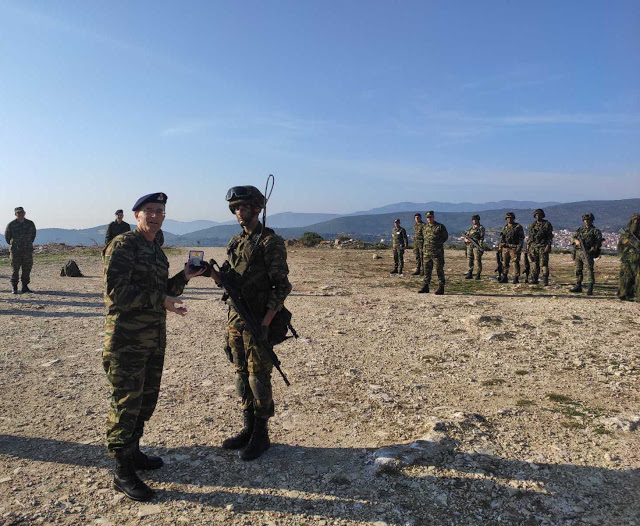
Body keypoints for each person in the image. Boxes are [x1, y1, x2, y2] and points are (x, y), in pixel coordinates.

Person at [102, 192, 204, 501]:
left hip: (153, 339)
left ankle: (133, 454)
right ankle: (121, 471)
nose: (155, 215)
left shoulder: (156, 251)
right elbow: (117, 293)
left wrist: (184, 277)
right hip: (127, 340)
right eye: (149, 211)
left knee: (145, 401)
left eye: (160, 211)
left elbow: (161, 291)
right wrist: (162, 300)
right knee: (125, 404)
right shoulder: (123, 245)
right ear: (136, 215)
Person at [211, 185, 291, 461]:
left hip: (258, 320)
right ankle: (248, 427)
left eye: (245, 207)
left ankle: (261, 433)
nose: (239, 212)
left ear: (258, 209)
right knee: (240, 374)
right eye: (236, 208)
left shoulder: (270, 242)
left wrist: (266, 323)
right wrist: (211, 274)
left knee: (259, 377)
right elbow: (229, 280)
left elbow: (281, 287)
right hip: (236, 319)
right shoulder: (236, 242)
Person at [4, 206, 36, 294]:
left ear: (24, 213)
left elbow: (33, 236)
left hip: (27, 251)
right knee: (15, 270)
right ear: (15, 214)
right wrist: (14, 244)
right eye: (18, 213)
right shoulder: (11, 225)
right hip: (15, 251)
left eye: (22, 213)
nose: (20, 214)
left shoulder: (30, 224)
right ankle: (14, 287)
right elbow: (7, 237)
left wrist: (27, 244)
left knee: (27, 269)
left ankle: (25, 287)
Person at [570, 213, 603, 296]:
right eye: (585, 220)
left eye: (588, 220)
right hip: (578, 252)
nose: (586, 221)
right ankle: (578, 285)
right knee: (578, 269)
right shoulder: (580, 230)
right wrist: (576, 241)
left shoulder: (595, 231)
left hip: (588, 252)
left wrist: (592, 249)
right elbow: (573, 237)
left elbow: (598, 242)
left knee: (589, 270)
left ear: (592, 221)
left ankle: (590, 287)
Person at [418, 211, 448, 295]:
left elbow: (445, 237)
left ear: (433, 217)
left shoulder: (440, 227)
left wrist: (438, 244)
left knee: (439, 269)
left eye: (430, 217)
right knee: (427, 270)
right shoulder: (424, 227)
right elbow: (423, 238)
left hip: (437, 253)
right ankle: (425, 286)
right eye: (428, 217)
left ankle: (441, 287)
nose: (429, 218)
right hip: (427, 253)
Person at [526, 209, 554, 286]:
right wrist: (528, 245)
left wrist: (548, 245)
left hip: (543, 246)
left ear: (542, 215)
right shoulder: (532, 225)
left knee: (543, 264)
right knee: (534, 263)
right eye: (536, 215)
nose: (538, 216)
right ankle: (534, 279)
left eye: (539, 215)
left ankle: (545, 279)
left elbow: (550, 236)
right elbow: (530, 236)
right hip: (534, 247)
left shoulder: (547, 224)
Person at [617, 213, 640, 301]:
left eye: (638, 220)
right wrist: (624, 242)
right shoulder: (626, 233)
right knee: (625, 277)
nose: (636, 222)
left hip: (638, 259)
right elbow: (619, 247)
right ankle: (624, 294)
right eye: (634, 220)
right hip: (627, 258)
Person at [498, 212, 525, 284]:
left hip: (514, 247)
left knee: (515, 262)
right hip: (505, 247)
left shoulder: (518, 227)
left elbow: (521, 237)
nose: (509, 219)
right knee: (505, 263)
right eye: (507, 218)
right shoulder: (505, 227)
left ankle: (515, 277)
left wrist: (519, 247)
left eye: (510, 218)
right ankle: (504, 276)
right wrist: (500, 245)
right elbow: (502, 237)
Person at [463, 214, 485, 280]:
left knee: (477, 260)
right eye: (473, 220)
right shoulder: (470, 228)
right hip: (469, 246)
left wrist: (480, 246)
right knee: (469, 259)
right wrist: (466, 240)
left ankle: (478, 274)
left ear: (478, 220)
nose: (474, 221)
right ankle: (470, 273)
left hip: (476, 246)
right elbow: (466, 236)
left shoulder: (481, 228)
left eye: (475, 220)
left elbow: (481, 238)